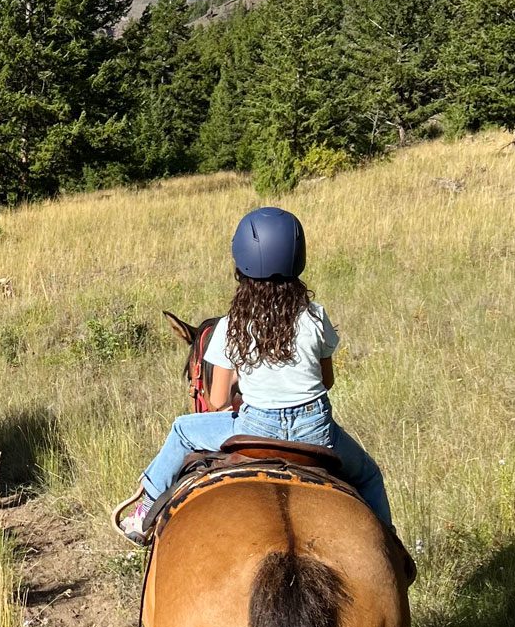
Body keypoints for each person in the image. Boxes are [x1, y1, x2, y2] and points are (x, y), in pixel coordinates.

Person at [116, 206, 394, 546]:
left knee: (182, 430)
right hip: (316, 433)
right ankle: (389, 546)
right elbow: (327, 382)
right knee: (368, 474)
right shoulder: (315, 316)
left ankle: (143, 514)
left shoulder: (230, 325)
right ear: (298, 259)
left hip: (255, 429)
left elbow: (217, 401)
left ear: (241, 264)